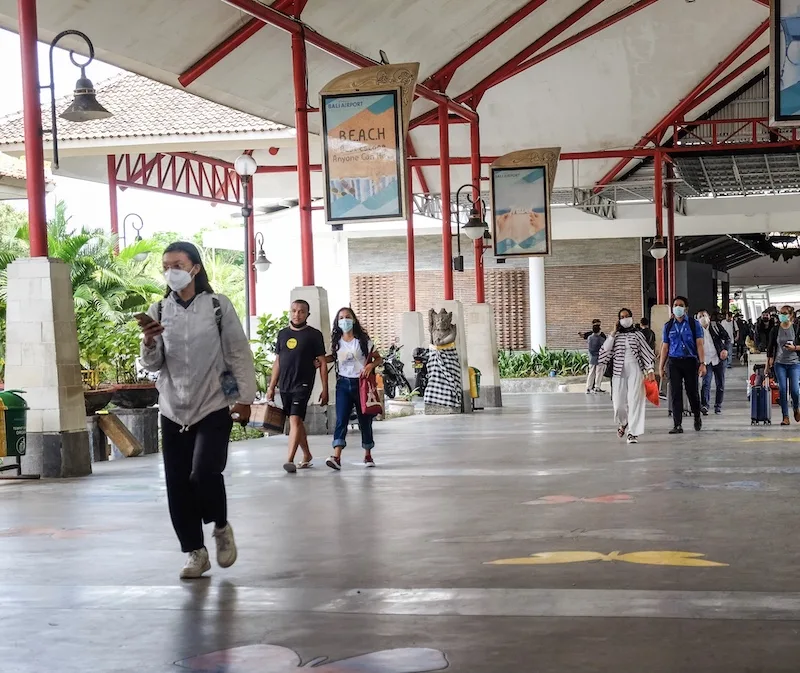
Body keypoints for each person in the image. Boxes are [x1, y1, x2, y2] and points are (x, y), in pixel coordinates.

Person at [139, 241, 257, 579]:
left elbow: (237, 352)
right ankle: (195, 552)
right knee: (177, 483)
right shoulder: (159, 309)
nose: (170, 271)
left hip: (213, 403)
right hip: (173, 406)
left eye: (177, 264)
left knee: (204, 472)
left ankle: (220, 527)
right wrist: (149, 341)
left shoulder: (218, 306)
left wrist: (244, 399)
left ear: (195, 267)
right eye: (165, 266)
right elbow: (153, 363)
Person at [268, 300, 329, 473]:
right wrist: (272, 386)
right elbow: (278, 361)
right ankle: (307, 455)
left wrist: (325, 389)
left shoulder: (314, 335)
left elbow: (323, 363)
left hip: (303, 384)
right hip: (285, 385)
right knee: (296, 420)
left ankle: (289, 460)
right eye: (294, 311)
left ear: (307, 315)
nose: (297, 314)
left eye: (301, 311)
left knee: (294, 419)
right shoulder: (282, 334)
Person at [325, 307, 383, 470]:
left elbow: (378, 358)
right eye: (341, 317)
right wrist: (322, 360)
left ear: (354, 320)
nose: (344, 320)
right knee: (341, 419)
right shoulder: (337, 342)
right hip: (343, 383)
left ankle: (368, 454)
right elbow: (334, 357)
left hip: (361, 384)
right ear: (337, 321)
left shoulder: (363, 341)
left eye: (347, 317)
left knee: (365, 420)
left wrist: (371, 364)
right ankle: (337, 456)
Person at [598, 308, 656, 444]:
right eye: (622, 317)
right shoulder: (614, 336)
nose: (625, 319)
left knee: (635, 401)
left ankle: (633, 433)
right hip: (618, 372)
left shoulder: (638, 335)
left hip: (635, 369)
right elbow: (603, 353)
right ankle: (624, 423)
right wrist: (613, 332)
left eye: (627, 316)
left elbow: (646, 353)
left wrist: (650, 369)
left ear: (631, 317)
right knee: (618, 404)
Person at [659, 296, 707, 434]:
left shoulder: (694, 324)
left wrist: (702, 363)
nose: (677, 307)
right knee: (675, 393)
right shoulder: (668, 326)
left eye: (680, 305)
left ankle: (697, 416)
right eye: (675, 305)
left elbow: (699, 345)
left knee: (692, 392)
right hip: (674, 362)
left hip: (690, 361)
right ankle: (677, 424)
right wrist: (661, 366)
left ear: (685, 308)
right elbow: (665, 347)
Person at [766, 305, 800, 426]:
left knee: (795, 390)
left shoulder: (796, 328)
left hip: (794, 363)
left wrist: (794, 348)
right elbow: (770, 348)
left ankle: (796, 408)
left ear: (791, 315)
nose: (782, 315)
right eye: (781, 313)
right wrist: (767, 364)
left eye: (785, 313)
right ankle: (785, 416)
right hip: (779, 363)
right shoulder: (775, 330)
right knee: (782, 389)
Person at [697, 310, 730, 415]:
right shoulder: (697, 331)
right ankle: (705, 406)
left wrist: (725, 349)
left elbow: (727, 338)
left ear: (709, 317)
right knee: (706, 383)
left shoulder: (716, 327)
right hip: (705, 361)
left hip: (718, 359)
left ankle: (718, 406)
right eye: (700, 316)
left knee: (720, 384)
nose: (702, 318)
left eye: (704, 315)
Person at [585, 323, 607, 394]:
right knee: (599, 373)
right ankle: (597, 387)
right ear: (599, 330)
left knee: (591, 373)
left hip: (592, 358)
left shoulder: (589, 338)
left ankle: (588, 387)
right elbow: (605, 348)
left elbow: (589, 348)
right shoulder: (601, 339)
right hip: (600, 358)